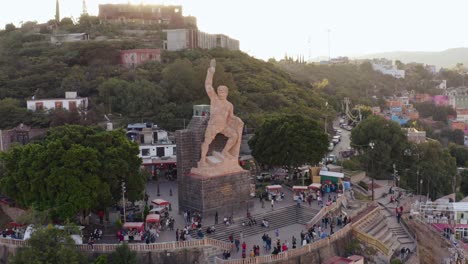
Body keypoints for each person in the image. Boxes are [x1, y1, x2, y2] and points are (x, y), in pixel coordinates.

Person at [198, 59, 243, 166]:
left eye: (223, 91)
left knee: (234, 135)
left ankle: (225, 151)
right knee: (207, 142)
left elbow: (231, 117)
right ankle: (202, 160)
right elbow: (208, 85)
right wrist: (210, 72)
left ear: (227, 93)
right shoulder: (214, 99)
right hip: (213, 126)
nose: (220, 92)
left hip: (223, 126)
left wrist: (237, 120)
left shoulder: (229, 105)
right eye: (219, 91)